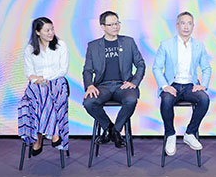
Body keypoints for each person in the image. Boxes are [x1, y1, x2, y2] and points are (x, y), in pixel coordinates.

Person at [83, 11, 145, 148]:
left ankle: (115, 130)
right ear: (102, 26)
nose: (115, 27)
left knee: (131, 100)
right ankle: (110, 129)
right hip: (102, 86)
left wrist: (134, 82)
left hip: (123, 86)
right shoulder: (93, 46)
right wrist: (90, 85)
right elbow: (87, 70)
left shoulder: (128, 42)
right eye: (111, 25)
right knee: (89, 102)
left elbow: (140, 64)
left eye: (117, 23)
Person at [152, 12, 212, 156]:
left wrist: (203, 85)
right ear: (177, 25)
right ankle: (170, 134)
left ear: (193, 26)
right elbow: (156, 68)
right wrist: (165, 86)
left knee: (204, 99)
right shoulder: (166, 45)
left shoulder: (198, 46)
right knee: (166, 100)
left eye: (189, 23)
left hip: (190, 85)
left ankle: (190, 133)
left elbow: (206, 68)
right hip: (172, 84)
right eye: (183, 23)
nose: (186, 26)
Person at [17, 17, 70, 156]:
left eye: (52, 29)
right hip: (38, 85)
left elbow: (63, 70)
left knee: (48, 93)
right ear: (37, 32)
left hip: (57, 82)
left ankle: (39, 137)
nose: (51, 33)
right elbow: (29, 72)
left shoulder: (61, 45)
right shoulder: (30, 49)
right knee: (32, 99)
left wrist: (44, 77)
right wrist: (38, 80)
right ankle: (52, 132)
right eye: (47, 30)